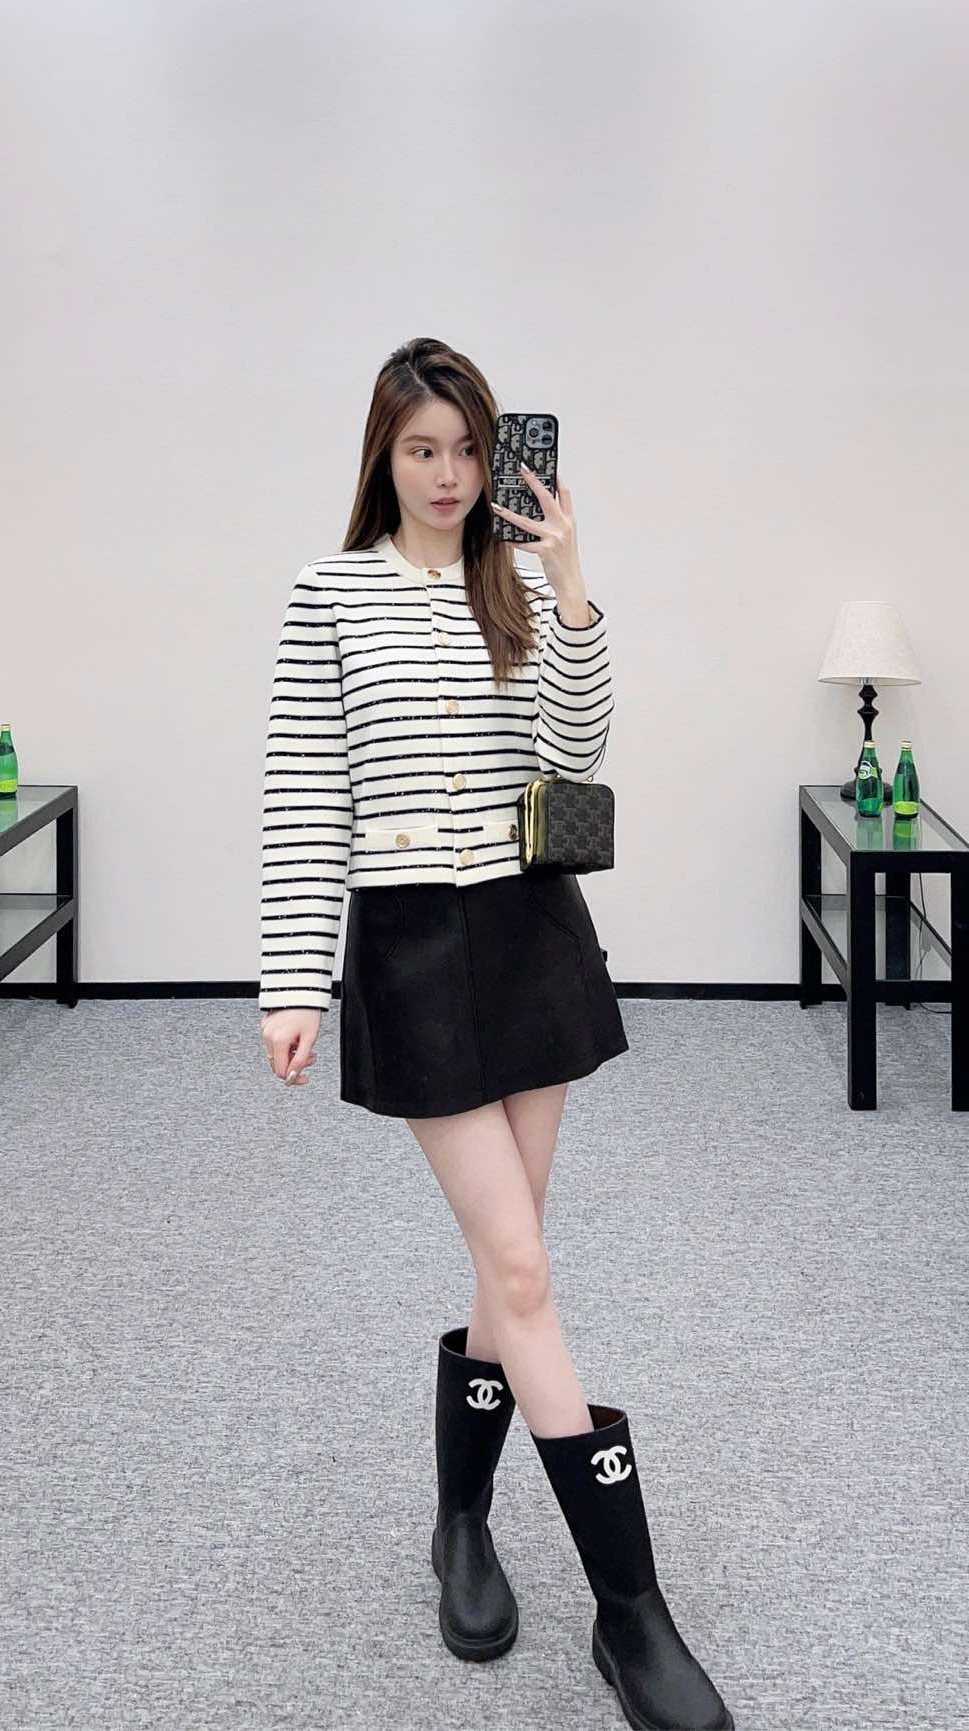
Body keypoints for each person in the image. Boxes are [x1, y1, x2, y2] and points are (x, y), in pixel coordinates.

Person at [258, 338, 733, 1731]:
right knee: (523, 1269)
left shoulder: (513, 581)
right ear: (384, 456)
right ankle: (631, 1613)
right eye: (424, 450)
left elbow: (576, 762)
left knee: (502, 1262)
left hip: (531, 932)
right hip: (411, 951)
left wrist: (569, 581)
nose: (451, 475)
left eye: (469, 449)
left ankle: (461, 1525)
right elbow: (305, 792)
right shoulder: (330, 591)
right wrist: (293, 979)